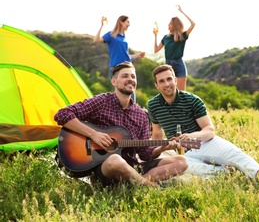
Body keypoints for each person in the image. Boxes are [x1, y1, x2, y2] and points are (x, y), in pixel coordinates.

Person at [54, 62, 188, 187]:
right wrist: (93, 134)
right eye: (125, 76)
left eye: (133, 76)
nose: (130, 79)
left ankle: (134, 184)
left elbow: (145, 154)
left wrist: (162, 148)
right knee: (115, 160)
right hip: (105, 167)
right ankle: (146, 186)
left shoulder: (142, 115)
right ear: (114, 81)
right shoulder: (102, 101)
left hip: (132, 166)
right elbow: (62, 114)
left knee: (181, 161)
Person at [147, 64, 259, 181]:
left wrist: (191, 136)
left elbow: (209, 130)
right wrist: (154, 154)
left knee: (232, 153)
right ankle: (225, 172)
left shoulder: (192, 100)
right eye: (162, 81)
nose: (166, 84)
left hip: (204, 142)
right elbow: (157, 134)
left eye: (169, 79)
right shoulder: (153, 105)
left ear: (175, 80)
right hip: (183, 153)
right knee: (185, 169)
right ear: (156, 85)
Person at [94, 15, 145, 102]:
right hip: (116, 67)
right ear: (121, 22)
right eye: (127, 22)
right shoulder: (112, 35)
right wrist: (102, 25)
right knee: (119, 92)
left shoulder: (124, 37)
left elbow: (125, 55)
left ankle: (132, 110)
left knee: (130, 89)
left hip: (127, 66)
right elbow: (97, 39)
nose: (129, 24)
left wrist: (138, 55)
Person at [153, 5, 195, 91]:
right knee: (169, 92)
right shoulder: (166, 38)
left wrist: (182, 12)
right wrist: (155, 35)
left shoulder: (182, 36)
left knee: (181, 93)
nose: (168, 25)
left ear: (175, 25)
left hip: (179, 64)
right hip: (168, 65)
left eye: (170, 24)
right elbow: (156, 49)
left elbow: (193, 24)